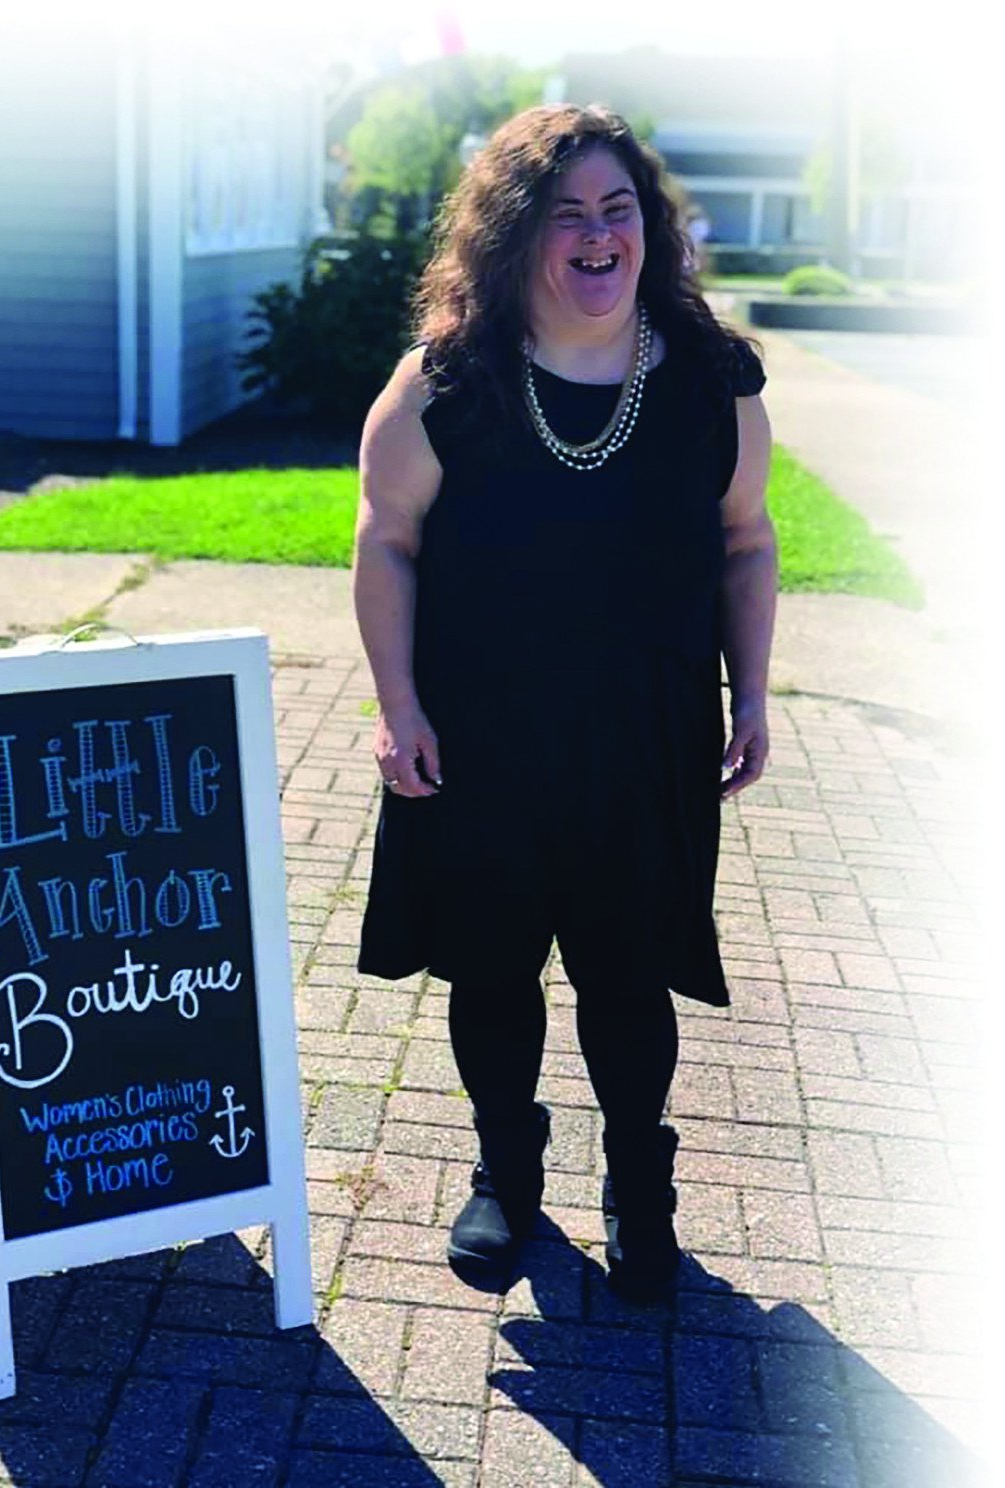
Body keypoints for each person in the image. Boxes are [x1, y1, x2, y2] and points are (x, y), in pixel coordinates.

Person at [352, 104, 776, 1305]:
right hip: (479, 737)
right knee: (490, 972)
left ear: (649, 227)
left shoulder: (709, 379)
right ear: (512, 235)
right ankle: (507, 1166)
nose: (598, 238)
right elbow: (385, 544)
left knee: (627, 977)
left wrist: (752, 695)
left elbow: (747, 542)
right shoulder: (448, 384)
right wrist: (399, 707)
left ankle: (642, 1186)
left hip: (646, 741)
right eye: (565, 215)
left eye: (618, 210)